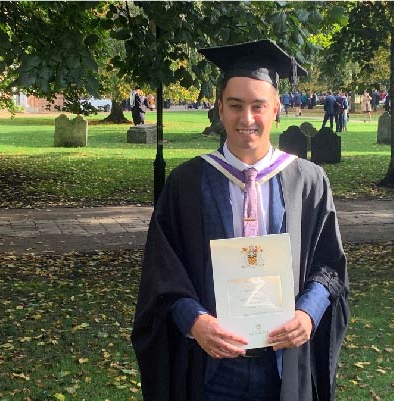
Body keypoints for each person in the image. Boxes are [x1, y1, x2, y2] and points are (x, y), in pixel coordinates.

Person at [131, 39, 349, 401]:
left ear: (276, 108)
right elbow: (162, 270)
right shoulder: (187, 182)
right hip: (210, 365)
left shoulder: (308, 181)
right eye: (235, 105)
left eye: (258, 106)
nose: (246, 118)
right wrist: (194, 321)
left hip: (283, 363)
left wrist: (308, 315)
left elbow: (330, 267)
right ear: (219, 108)